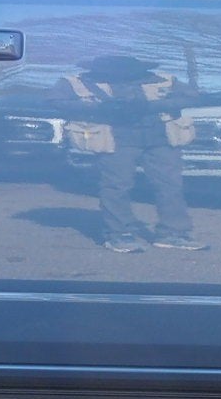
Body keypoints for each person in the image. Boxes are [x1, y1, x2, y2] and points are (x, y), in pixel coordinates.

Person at [63, 52, 206, 252]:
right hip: (114, 139)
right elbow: (55, 103)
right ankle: (119, 234)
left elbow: (192, 97)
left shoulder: (162, 80)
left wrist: (152, 106)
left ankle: (174, 233)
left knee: (170, 186)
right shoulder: (76, 82)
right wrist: (100, 108)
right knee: (116, 186)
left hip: (161, 138)